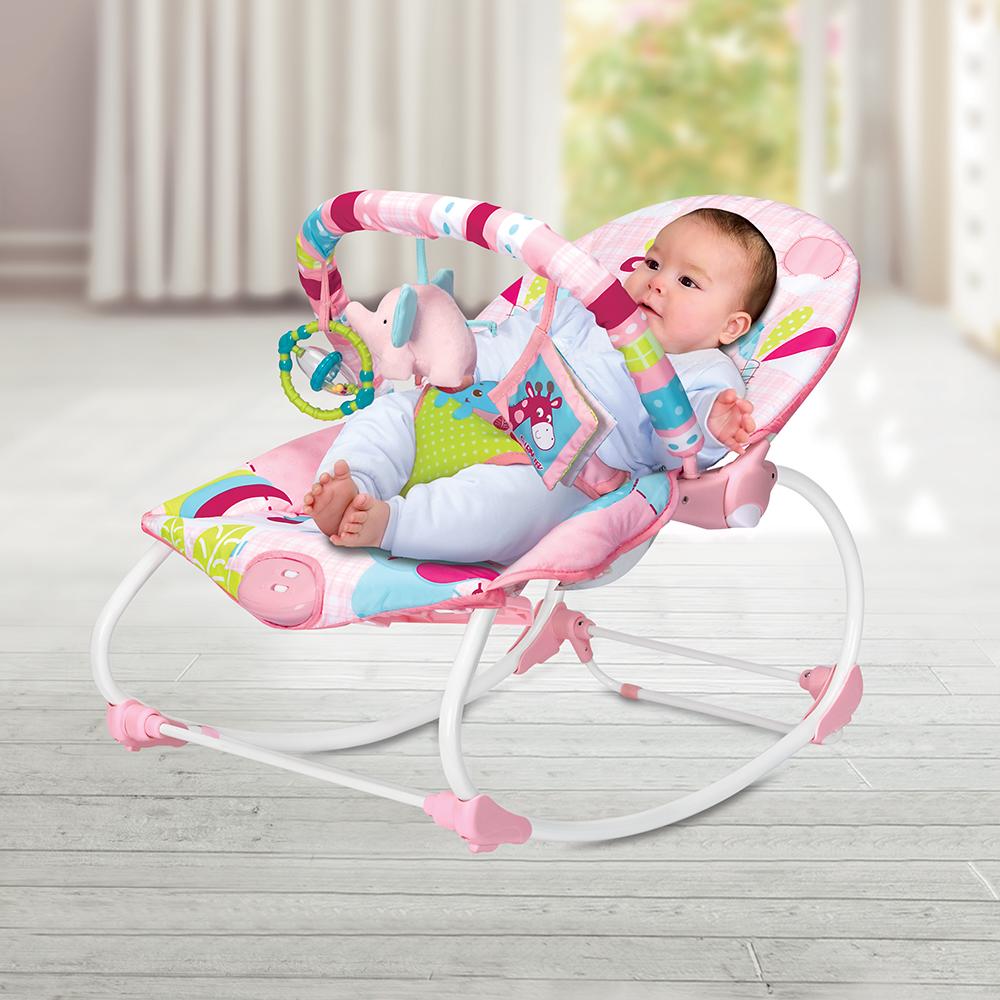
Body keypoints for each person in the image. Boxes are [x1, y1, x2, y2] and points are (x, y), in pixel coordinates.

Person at [302, 207, 776, 564]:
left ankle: (390, 523)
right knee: (389, 416)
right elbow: (508, 342)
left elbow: (679, 451)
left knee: (506, 505)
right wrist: (454, 362)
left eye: (688, 282)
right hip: (470, 409)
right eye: (652, 263)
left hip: (556, 470)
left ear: (731, 327)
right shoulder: (583, 310)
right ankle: (355, 483)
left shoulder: (703, 370)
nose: (658, 283)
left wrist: (713, 424)